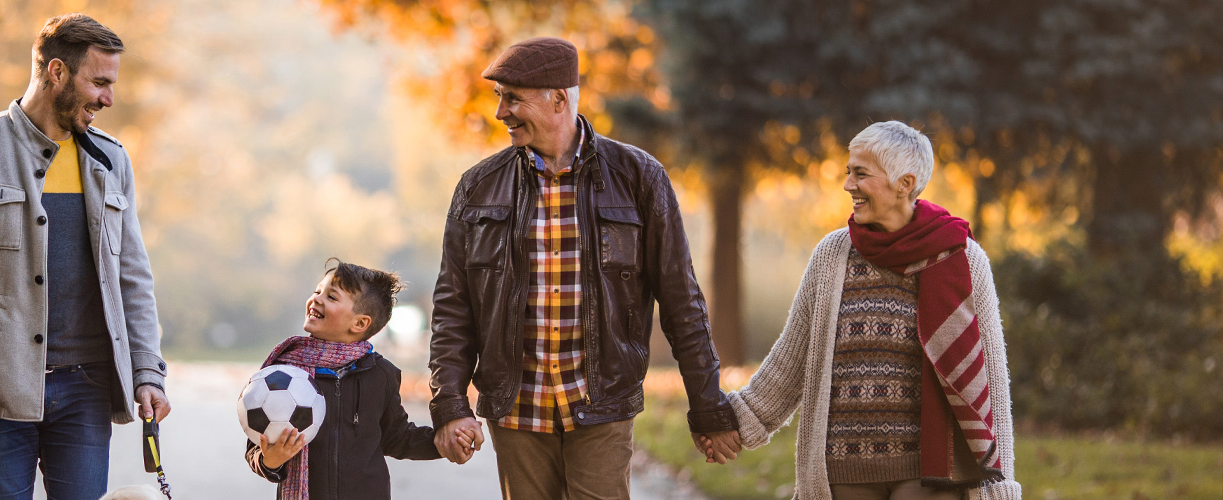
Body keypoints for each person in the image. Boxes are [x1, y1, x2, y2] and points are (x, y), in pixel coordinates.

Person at [427, 37, 741, 499]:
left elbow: (681, 301)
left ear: (559, 98)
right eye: (500, 98)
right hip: (516, 410)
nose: (501, 113)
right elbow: (454, 307)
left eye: (513, 98)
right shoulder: (478, 187)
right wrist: (450, 405)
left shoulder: (639, 178)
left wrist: (707, 407)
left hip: (602, 401)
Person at [0, 12, 170, 500]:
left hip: (87, 388)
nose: (108, 98)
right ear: (57, 72)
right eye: (99, 82)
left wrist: (147, 370)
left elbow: (132, 277)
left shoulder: (111, 160)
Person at [720, 121, 1021, 499]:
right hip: (843, 470)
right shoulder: (832, 256)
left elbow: (990, 380)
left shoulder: (961, 258)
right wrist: (732, 420)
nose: (848, 185)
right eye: (849, 172)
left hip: (929, 472)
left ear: (904, 184)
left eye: (861, 174)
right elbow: (791, 358)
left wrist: (999, 484)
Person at [246, 260, 443, 500]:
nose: (317, 298)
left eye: (331, 297)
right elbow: (256, 448)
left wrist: (442, 442)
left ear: (360, 323)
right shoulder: (283, 372)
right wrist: (270, 461)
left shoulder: (381, 374)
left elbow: (396, 437)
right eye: (317, 291)